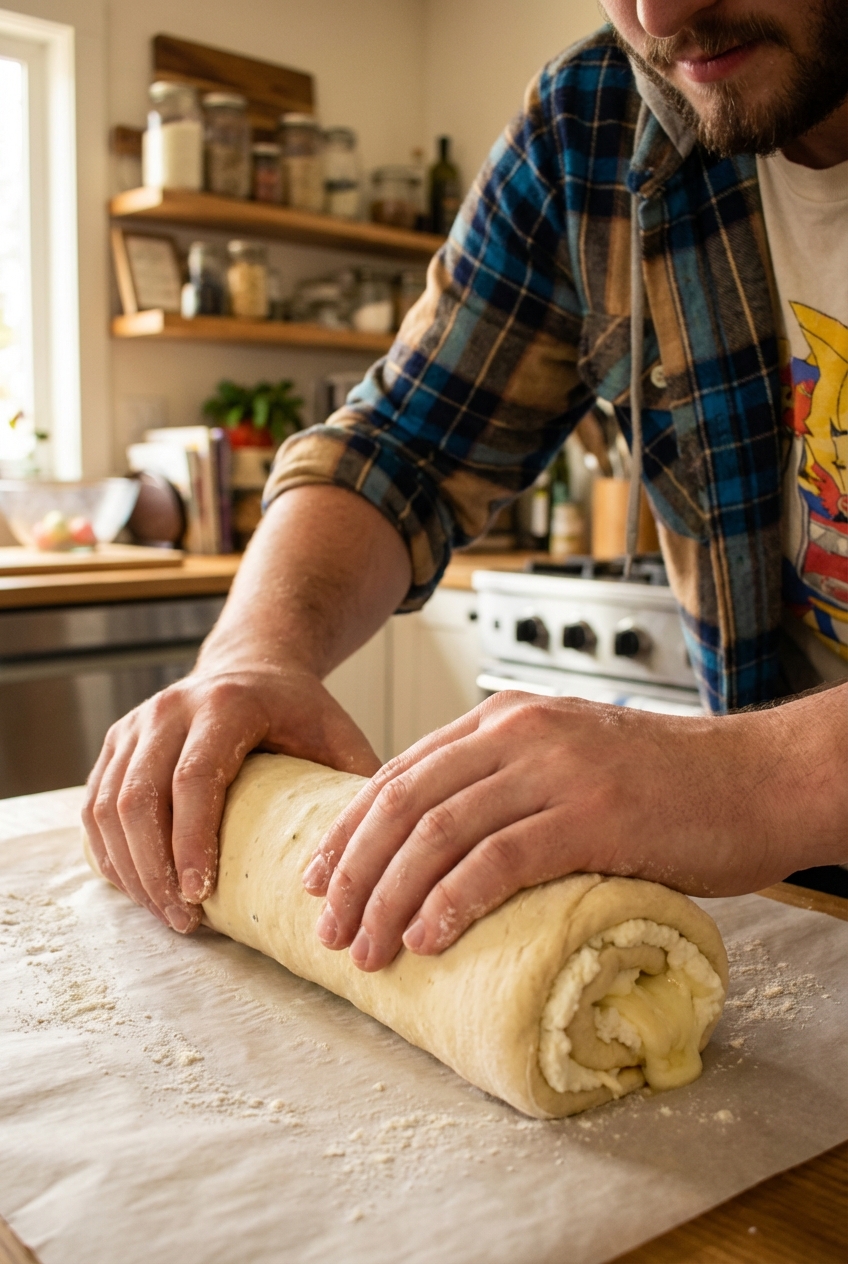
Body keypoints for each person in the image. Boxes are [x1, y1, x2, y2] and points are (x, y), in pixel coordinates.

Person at [83, 0, 848, 973]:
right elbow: (400, 445)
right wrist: (250, 653)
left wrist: (745, 782)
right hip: (807, 907)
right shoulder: (597, 120)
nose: (659, 12)